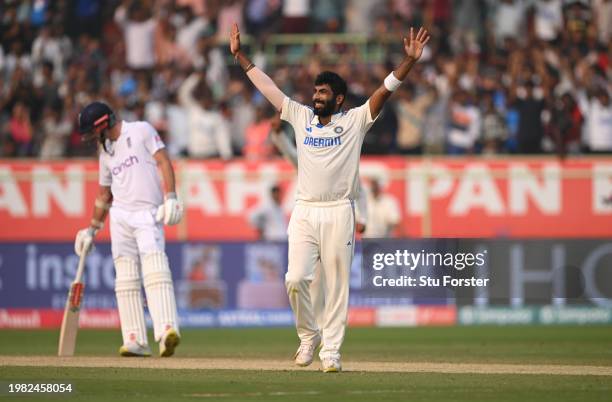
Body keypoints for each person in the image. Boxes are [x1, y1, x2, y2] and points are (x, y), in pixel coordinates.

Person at [230, 23, 429, 372]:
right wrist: (240, 56)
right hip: (305, 210)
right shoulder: (301, 116)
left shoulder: (354, 121)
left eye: (323, 92)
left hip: (340, 210)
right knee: (295, 279)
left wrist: (408, 62)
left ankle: (331, 352)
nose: (316, 96)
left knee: (337, 286)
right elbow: (269, 88)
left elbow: (384, 91)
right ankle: (308, 337)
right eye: (315, 90)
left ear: (337, 99)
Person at [73, 101, 182, 357]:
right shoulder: (105, 154)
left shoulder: (141, 130)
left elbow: (164, 161)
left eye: (91, 132)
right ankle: (134, 339)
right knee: (125, 278)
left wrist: (171, 197)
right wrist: (91, 229)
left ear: (102, 125)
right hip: (120, 217)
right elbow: (104, 194)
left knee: (155, 268)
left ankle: (166, 330)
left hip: (148, 213)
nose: (90, 138)